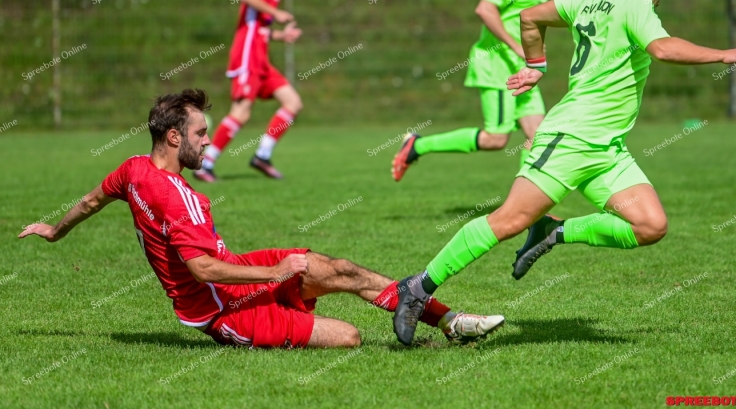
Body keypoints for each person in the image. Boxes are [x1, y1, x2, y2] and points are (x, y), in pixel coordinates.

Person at [391, 0, 736, 345]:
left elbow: (531, 17)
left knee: (650, 225)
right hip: (570, 138)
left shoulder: (588, 0)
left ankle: (554, 232)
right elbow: (662, 49)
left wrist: (536, 65)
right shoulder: (636, 3)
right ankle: (418, 288)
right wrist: (725, 53)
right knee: (509, 220)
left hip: (605, 149)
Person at [19, 90, 504, 348]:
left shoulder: (131, 170)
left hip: (237, 271)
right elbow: (202, 270)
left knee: (341, 269)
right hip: (222, 309)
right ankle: (293, 312)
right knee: (350, 337)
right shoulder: (182, 201)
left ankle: (450, 321)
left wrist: (55, 231)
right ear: (172, 137)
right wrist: (274, 274)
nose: (209, 143)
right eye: (201, 134)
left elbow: (89, 201)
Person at [392, 0, 565, 182]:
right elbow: (485, 8)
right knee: (496, 139)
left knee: (538, 137)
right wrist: (515, 44)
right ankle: (418, 146)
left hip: (520, 70)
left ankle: (527, 211)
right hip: (496, 65)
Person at [196, 0, 304, 183]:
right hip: (247, 55)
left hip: (261, 58)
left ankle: (262, 156)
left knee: (293, 102)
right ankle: (206, 163)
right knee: (241, 112)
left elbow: (260, 28)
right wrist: (276, 14)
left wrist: (280, 35)